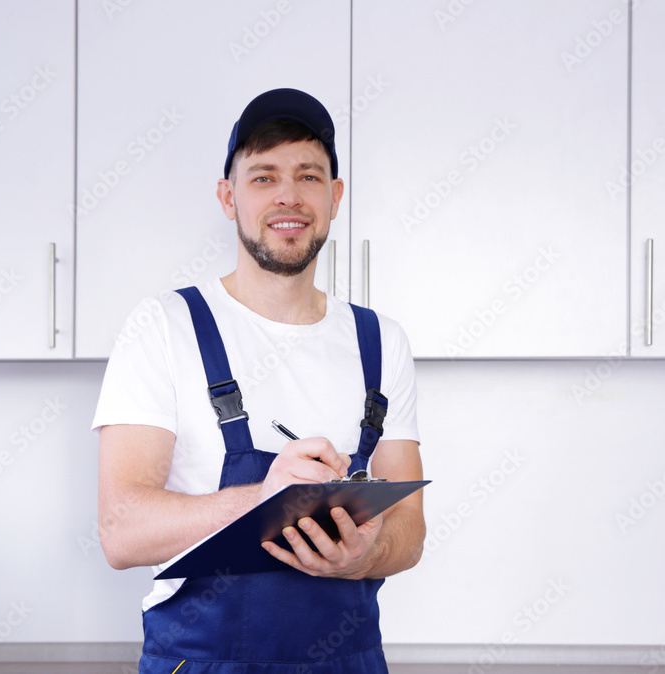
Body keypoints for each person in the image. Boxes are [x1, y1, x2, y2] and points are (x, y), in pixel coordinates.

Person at [92, 88, 425, 673]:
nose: (289, 197)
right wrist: (267, 502)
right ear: (228, 197)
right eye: (264, 176)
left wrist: (362, 553)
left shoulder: (381, 341)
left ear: (335, 196)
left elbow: (411, 535)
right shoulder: (165, 327)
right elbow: (121, 530)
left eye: (309, 176)